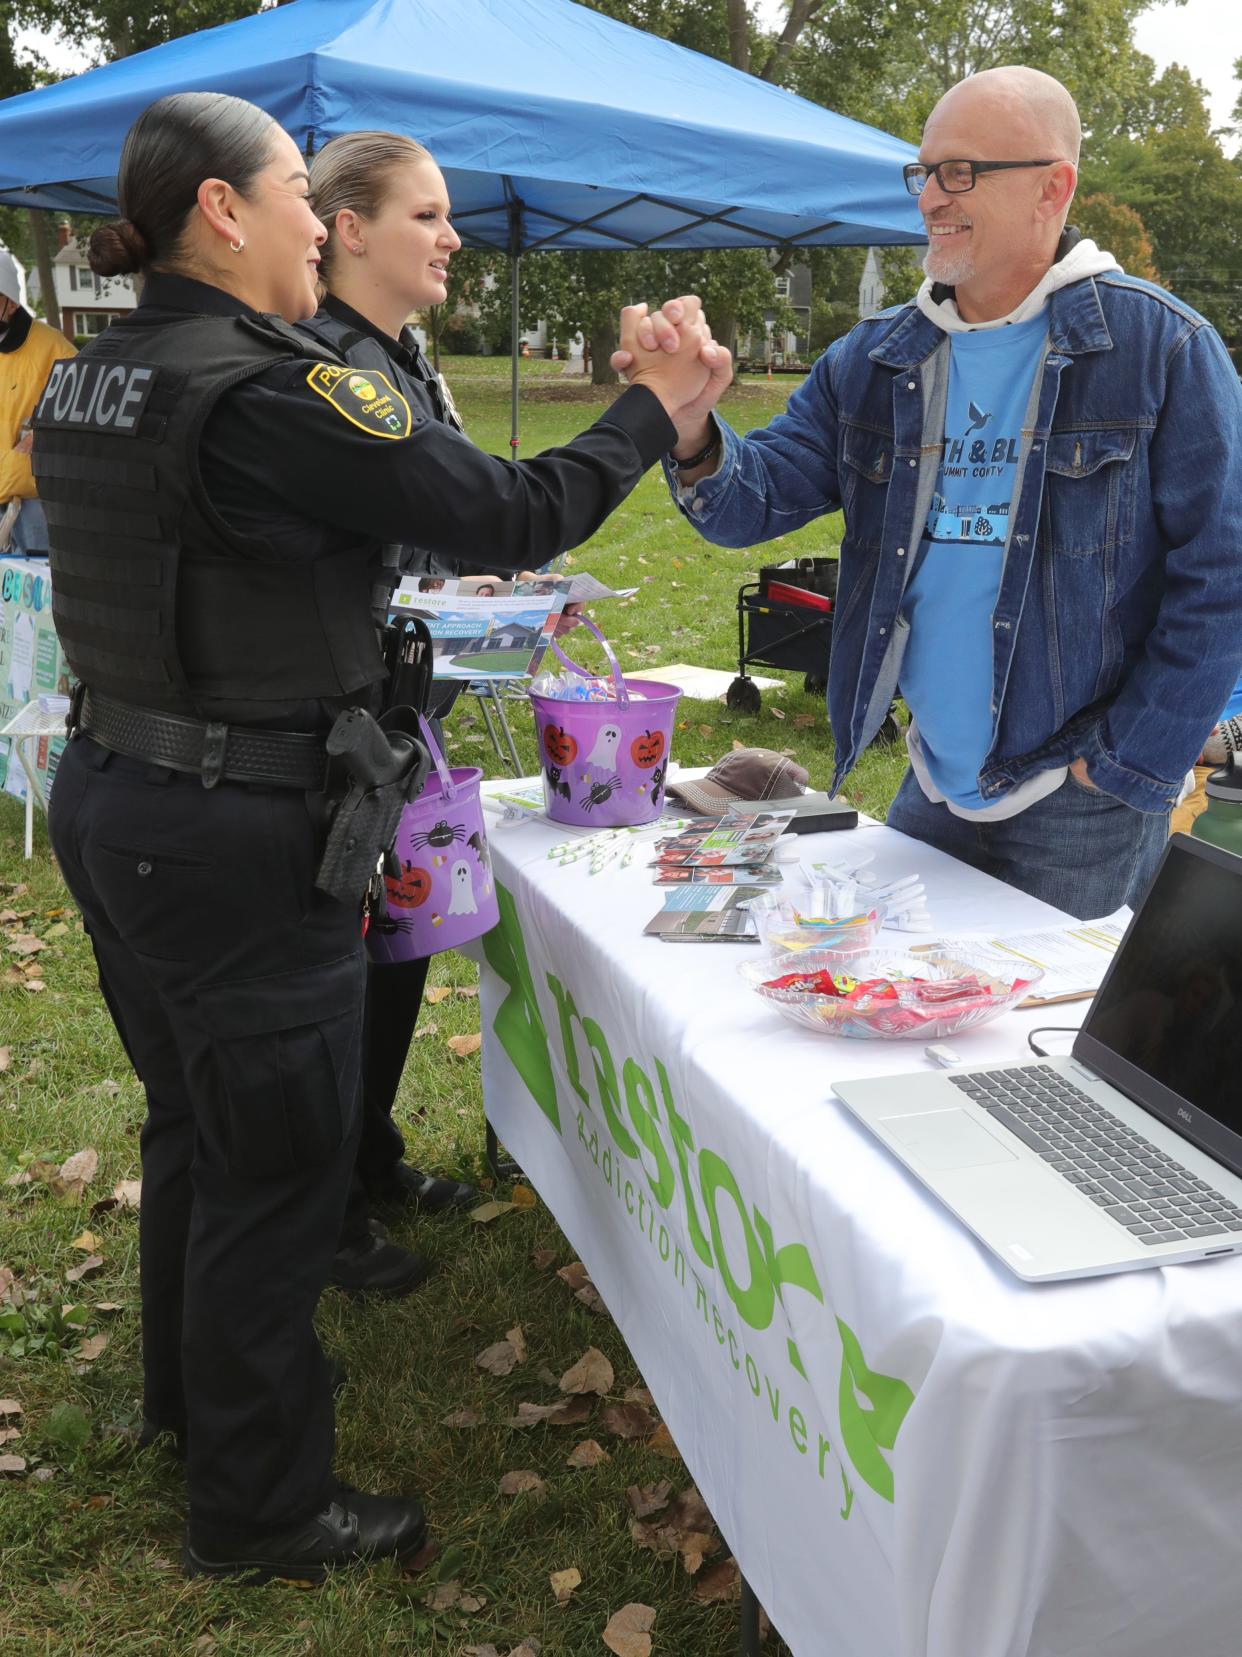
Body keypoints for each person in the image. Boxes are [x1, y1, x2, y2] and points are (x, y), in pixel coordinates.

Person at [36, 90, 716, 1583]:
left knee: (198, 1131)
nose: (309, 213)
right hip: (232, 826)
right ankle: (264, 1504)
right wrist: (653, 412)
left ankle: (191, 1412)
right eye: (293, 189)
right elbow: (512, 511)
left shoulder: (94, 373)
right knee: (275, 1171)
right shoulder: (274, 393)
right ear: (226, 211)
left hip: (120, 796)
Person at [625, 66, 1242, 921]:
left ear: (1051, 188)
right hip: (934, 782)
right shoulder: (876, 357)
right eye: (924, 173)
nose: (930, 199)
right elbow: (749, 502)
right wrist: (690, 426)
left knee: (1036, 1044)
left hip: (1080, 799)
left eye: (961, 172)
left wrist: (1127, 759)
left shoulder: (1161, 349)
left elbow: (1223, 577)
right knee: (900, 1011)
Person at [0, 245, 75, 554]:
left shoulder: (53, 347)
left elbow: (77, 409)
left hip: (33, 504)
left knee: (41, 594)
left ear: (12, 302)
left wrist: (37, 439)